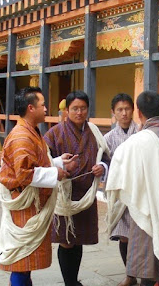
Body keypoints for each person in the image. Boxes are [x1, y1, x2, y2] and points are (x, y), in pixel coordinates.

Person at [0, 86, 78, 286]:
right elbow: (24, 173)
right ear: (31, 108)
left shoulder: (31, 131)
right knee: (22, 258)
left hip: (32, 205)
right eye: (42, 105)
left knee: (26, 259)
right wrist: (56, 173)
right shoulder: (21, 136)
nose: (46, 109)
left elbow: (38, 163)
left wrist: (58, 162)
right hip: (24, 206)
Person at [106, 91, 159, 286]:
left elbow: (120, 178)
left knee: (146, 266)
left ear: (139, 112)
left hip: (145, 210)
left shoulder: (135, 142)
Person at [44, 91, 111, 286]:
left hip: (86, 194)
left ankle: (73, 280)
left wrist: (102, 167)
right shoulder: (55, 133)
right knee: (66, 239)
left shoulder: (94, 132)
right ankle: (70, 282)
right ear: (67, 110)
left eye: (83, 108)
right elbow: (44, 160)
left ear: (88, 110)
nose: (79, 112)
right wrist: (61, 166)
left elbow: (106, 157)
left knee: (78, 237)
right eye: (75, 109)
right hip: (64, 195)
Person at [104, 93, 140, 286]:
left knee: (142, 235)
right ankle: (130, 275)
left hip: (139, 191)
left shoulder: (141, 133)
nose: (124, 113)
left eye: (127, 109)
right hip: (120, 193)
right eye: (120, 110)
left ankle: (147, 273)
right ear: (113, 112)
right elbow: (105, 163)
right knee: (124, 237)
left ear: (133, 110)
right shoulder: (108, 138)